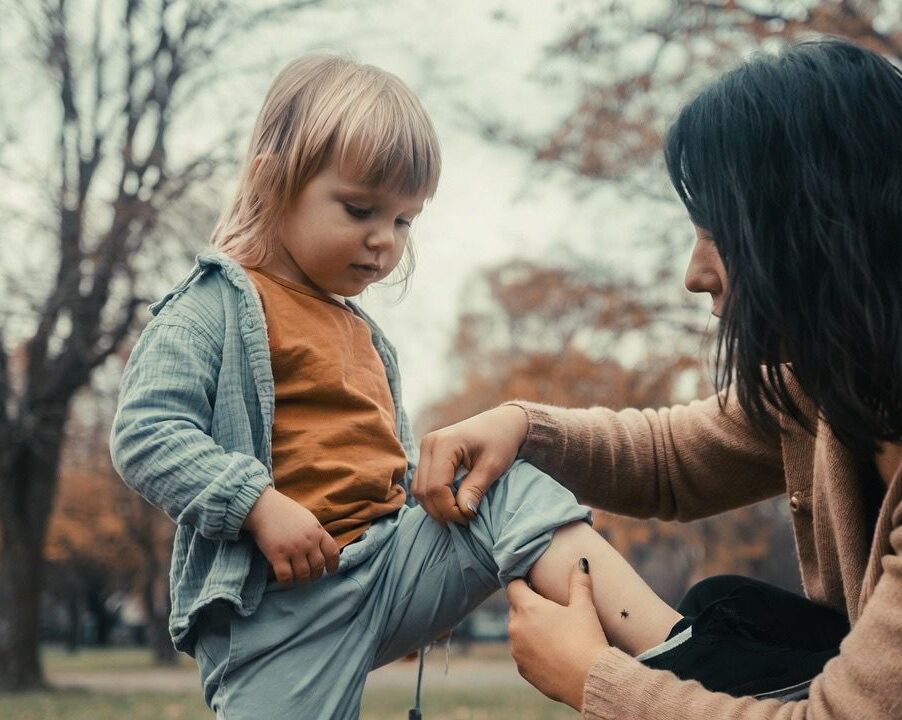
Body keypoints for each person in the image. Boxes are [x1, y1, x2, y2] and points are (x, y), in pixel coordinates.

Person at [413, 38, 902, 719]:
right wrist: (524, 426)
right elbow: (671, 461)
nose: (695, 275)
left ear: (815, 231)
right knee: (728, 608)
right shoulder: (870, 363)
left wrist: (596, 680)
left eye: (717, 236)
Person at [110, 55, 683, 719]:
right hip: (278, 615)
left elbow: (372, 462)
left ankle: (678, 650)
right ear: (272, 183)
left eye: (405, 220)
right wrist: (257, 505)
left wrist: (420, 503)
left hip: (385, 573)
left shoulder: (363, 333)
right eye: (360, 210)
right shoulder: (216, 305)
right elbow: (146, 432)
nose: (384, 241)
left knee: (500, 480)